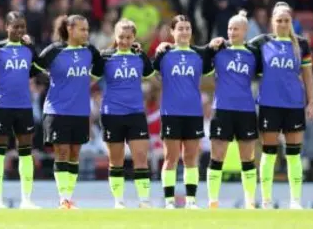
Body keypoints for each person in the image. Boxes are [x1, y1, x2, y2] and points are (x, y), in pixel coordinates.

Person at [247, 2, 313, 210]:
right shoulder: (261, 42)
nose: (283, 24)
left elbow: (308, 75)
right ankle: (266, 200)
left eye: (286, 20)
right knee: (269, 153)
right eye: (279, 20)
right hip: (269, 104)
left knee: (294, 154)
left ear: (291, 22)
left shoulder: (302, 44)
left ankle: (295, 201)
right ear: (272, 22)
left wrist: (310, 102)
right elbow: (237, 49)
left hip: (294, 104)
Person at [35, 15, 103, 209]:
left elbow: (100, 67)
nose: (86, 33)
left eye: (87, 30)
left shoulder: (90, 51)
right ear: (70, 30)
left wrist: (88, 81)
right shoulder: (54, 51)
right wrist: (49, 77)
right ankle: (63, 198)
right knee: (62, 152)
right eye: (82, 29)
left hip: (80, 110)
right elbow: (35, 66)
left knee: (74, 153)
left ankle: (69, 197)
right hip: (57, 109)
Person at [0, 11, 40, 210]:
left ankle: (27, 200)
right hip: (1, 105)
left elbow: (36, 69)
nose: (20, 30)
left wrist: (32, 47)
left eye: (23, 27)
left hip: (24, 105)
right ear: (6, 27)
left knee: (25, 152)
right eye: (15, 26)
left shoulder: (28, 49)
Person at [91, 19, 154, 209]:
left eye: (128, 37)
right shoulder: (105, 57)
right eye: (121, 37)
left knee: (141, 158)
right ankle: (119, 202)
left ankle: (144, 201)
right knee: (116, 161)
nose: (125, 41)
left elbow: (151, 77)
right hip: (112, 114)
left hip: (135, 113)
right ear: (115, 37)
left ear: (134, 37)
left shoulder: (139, 56)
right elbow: (90, 80)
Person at [153, 15, 214, 209]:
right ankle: (169, 201)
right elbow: (153, 75)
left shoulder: (199, 54)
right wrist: (158, 49)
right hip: (171, 112)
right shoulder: (164, 54)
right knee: (170, 158)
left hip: (194, 113)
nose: (185, 31)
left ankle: (191, 201)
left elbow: (209, 74)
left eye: (187, 28)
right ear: (172, 32)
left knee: (190, 157)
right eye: (180, 28)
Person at [205, 11, 262, 209]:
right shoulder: (219, 49)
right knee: (217, 157)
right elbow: (201, 59)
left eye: (236, 28)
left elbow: (265, 74)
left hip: (246, 110)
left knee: (248, 158)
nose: (231, 32)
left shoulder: (253, 53)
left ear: (245, 31)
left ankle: (250, 201)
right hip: (222, 109)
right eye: (229, 28)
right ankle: (213, 200)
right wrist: (209, 47)